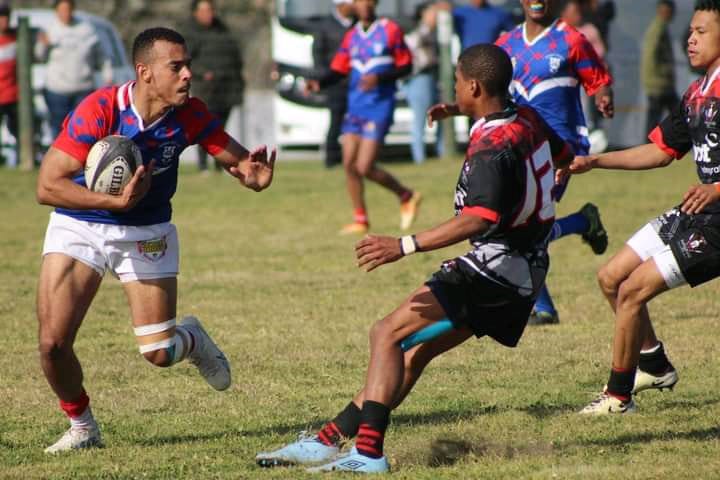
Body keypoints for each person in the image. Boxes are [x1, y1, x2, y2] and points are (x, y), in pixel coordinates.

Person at [256, 44, 573, 474]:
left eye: (458, 82)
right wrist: (460, 110)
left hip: (493, 271)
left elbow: (478, 219)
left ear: (474, 86)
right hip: (525, 272)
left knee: (385, 333)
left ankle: (367, 455)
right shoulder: (526, 118)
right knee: (410, 351)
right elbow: (563, 157)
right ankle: (329, 440)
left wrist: (404, 245)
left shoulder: (490, 151)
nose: (454, 86)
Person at [35, 27, 276, 453]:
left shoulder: (191, 114)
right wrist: (112, 202)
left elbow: (239, 161)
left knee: (160, 352)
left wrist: (253, 176)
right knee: (52, 344)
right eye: (176, 67)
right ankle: (82, 426)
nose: (187, 75)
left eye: (188, 66)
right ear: (145, 72)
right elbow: (47, 185)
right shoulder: (101, 109)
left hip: (146, 232)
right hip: (80, 223)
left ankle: (193, 339)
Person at [567, 0, 720, 414]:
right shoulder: (697, 92)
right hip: (698, 210)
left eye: (702, 31)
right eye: (690, 30)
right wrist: (596, 161)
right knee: (612, 278)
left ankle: (618, 397)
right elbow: (658, 150)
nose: (690, 38)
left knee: (633, 290)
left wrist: (717, 188)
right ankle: (653, 364)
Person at [496, 0, 614, 325]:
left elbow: (598, 79)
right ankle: (582, 222)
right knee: (516, 226)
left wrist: (603, 96)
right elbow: (488, 87)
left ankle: (543, 308)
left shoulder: (570, 39)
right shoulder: (505, 44)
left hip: (560, 148)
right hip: (518, 146)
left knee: (526, 228)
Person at [307, 0, 421, 235]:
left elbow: (407, 66)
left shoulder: (390, 29)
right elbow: (339, 69)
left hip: (379, 106)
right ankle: (360, 218)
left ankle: (406, 195)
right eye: (360, 1)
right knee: (349, 164)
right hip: (355, 107)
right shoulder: (352, 36)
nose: (365, 5)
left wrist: (380, 79)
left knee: (364, 166)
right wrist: (319, 82)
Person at [181, 0, 245, 172]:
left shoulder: (223, 31)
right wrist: (203, 73)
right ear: (195, 12)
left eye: (210, 10)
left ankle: (219, 165)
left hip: (227, 89)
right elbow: (186, 61)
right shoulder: (190, 34)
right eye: (204, 10)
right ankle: (203, 166)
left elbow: (236, 59)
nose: (208, 13)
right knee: (204, 127)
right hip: (206, 90)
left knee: (221, 128)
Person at [35, 0, 113, 137]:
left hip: (83, 89)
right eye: (61, 10)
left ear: (72, 9)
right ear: (56, 11)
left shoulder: (86, 29)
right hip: (57, 90)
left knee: (84, 128)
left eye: (67, 9)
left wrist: (108, 76)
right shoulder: (50, 29)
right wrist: (42, 44)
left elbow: (102, 56)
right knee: (59, 130)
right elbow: (39, 56)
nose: (65, 13)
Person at [311, 0, 355, 169]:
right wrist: (324, 78)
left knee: (356, 122)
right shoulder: (325, 26)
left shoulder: (358, 24)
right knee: (336, 121)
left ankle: (354, 157)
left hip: (355, 82)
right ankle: (332, 158)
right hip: (335, 83)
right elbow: (318, 56)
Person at [401, 1, 443, 164]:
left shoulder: (435, 33)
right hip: (420, 78)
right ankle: (419, 157)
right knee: (421, 120)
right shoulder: (419, 34)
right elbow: (412, 53)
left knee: (440, 115)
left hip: (432, 78)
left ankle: (441, 152)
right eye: (432, 13)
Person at [642, 0, 678, 136]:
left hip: (659, 83)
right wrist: (663, 73)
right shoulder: (658, 29)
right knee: (678, 114)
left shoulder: (661, 28)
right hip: (659, 84)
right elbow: (650, 55)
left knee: (658, 117)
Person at [436, 0, 517, 50]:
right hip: (466, 59)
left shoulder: (499, 14)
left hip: (490, 59)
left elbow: (514, 35)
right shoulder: (459, 13)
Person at [0, 1, 18, 164]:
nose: (3, 21)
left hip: (12, 94)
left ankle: (22, 159)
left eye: (5, 17)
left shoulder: (16, 37)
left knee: (17, 130)